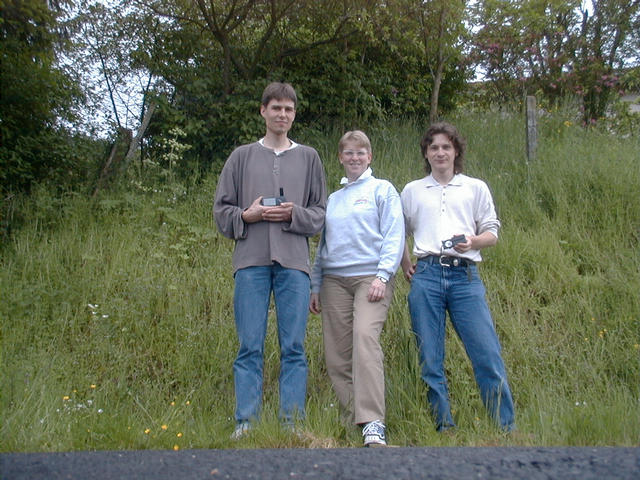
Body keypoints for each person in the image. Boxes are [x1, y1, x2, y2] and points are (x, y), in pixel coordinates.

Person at [213, 82, 327, 439]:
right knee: (250, 345)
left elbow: (321, 213)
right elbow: (221, 212)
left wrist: (295, 214)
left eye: (289, 109)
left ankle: (291, 422)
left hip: (294, 263)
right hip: (251, 262)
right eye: (276, 108)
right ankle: (246, 421)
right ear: (263, 111)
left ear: (295, 115)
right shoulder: (241, 156)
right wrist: (247, 217)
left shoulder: (309, 157)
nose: (282, 115)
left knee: (293, 346)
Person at [400, 122, 515, 432]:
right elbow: (398, 234)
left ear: (456, 151)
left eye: (446, 147)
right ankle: (443, 425)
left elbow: (492, 232)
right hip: (426, 276)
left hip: (465, 278)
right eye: (434, 147)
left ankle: (505, 426)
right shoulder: (412, 190)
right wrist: (406, 263)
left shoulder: (475, 187)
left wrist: (472, 241)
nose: (440, 152)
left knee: (486, 353)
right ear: (426, 152)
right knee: (430, 358)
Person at [309, 130, 404, 446]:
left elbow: (394, 234)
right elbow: (324, 245)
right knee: (337, 353)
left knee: (365, 338)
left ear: (370, 157)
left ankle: (373, 421)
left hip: (370, 279)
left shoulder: (382, 190)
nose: (354, 158)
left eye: (360, 153)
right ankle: (352, 417)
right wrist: (315, 284)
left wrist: (383, 275)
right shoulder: (333, 200)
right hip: (334, 281)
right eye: (348, 153)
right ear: (340, 157)